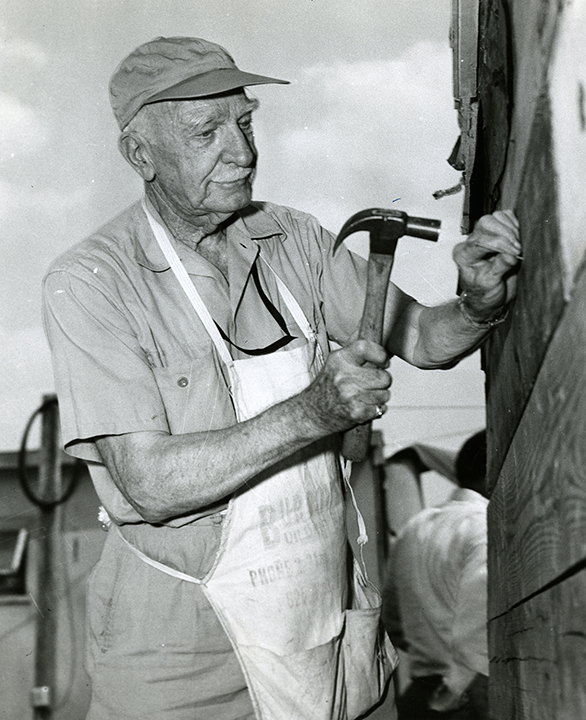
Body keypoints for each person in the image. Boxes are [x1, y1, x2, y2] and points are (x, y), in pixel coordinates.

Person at [42, 36, 520, 720]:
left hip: (320, 609)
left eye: (245, 121)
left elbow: (423, 339)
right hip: (183, 648)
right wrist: (316, 412)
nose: (242, 151)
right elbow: (149, 485)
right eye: (207, 131)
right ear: (139, 154)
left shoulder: (291, 240)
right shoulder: (91, 282)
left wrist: (478, 301)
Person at [383, 431, 490, 720]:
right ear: (493, 470)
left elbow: (392, 623)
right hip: (469, 699)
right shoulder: (486, 527)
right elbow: (479, 633)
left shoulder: (414, 528)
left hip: (419, 698)